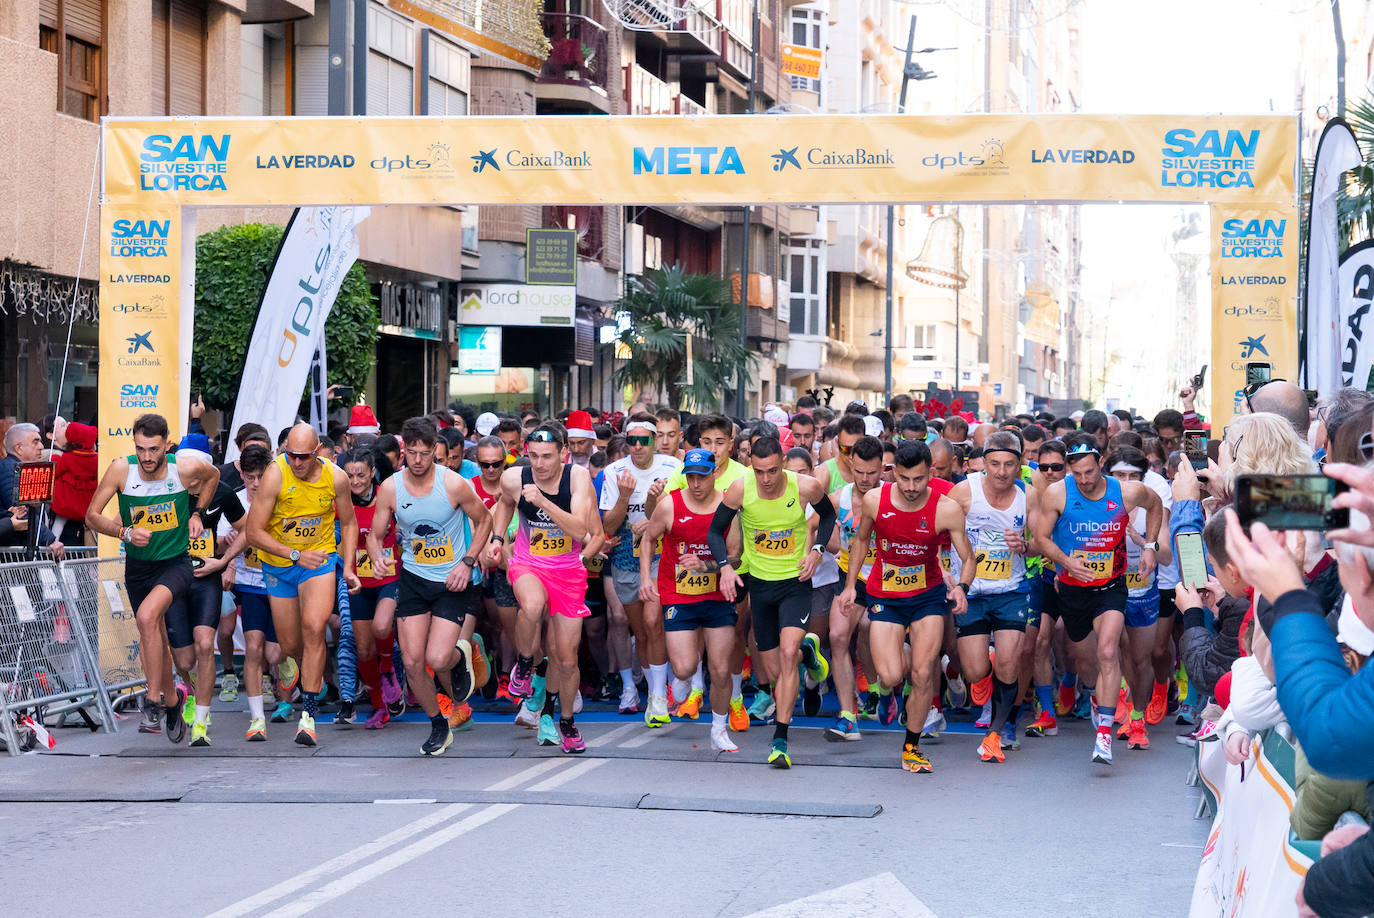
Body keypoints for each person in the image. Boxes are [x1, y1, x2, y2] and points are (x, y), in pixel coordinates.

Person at [838, 440, 974, 773]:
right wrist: (848, 587)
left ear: (930, 473)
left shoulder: (946, 509)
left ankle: (911, 747)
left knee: (924, 673)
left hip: (928, 596)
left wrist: (963, 588)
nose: (912, 488)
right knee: (891, 674)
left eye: (918, 479)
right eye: (904, 479)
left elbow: (968, 557)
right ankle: (889, 690)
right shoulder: (874, 500)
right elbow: (860, 541)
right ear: (892, 473)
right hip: (885, 595)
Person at [84, 413, 219, 743]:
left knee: (147, 616)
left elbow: (213, 475)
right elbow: (92, 516)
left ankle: (153, 699)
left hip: (175, 564)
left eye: (154, 450)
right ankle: (174, 702)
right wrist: (124, 531)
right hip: (138, 567)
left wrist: (197, 511)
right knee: (151, 630)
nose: (147, 457)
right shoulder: (121, 469)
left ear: (167, 445)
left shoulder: (183, 468)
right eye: (141, 448)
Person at [708, 436, 836, 768]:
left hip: (795, 583)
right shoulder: (740, 488)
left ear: (782, 461)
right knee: (778, 673)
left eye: (773, 470)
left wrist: (818, 551)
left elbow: (828, 516)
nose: (766, 478)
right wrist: (723, 567)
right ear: (752, 465)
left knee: (788, 653)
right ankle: (810, 652)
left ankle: (780, 739)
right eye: (760, 471)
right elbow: (714, 532)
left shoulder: (805, 486)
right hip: (760, 586)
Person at [1034, 434, 1162, 765]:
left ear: (1100, 464)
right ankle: (1095, 697)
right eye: (1077, 474)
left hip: (1111, 586)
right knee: (1086, 662)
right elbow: (1041, 538)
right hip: (1073, 588)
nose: (1085, 480)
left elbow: (1156, 505)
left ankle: (1103, 735)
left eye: (1090, 472)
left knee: (1108, 651)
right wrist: (1066, 561)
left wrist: (1149, 546)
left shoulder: (1126, 491)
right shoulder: (1057, 493)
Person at [366, 417, 489, 756]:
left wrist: (468, 561)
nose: (418, 460)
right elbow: (375, 535)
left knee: (437, 657)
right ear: (402, 450)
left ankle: (464, 652)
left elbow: (485, 520)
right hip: (414, 580)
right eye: (411, 453)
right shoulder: (391, 487)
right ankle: (438, 725)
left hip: (452, 580)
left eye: (424, 453)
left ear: (435, 450)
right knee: (412, 662)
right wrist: (377, 557)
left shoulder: (453, 484)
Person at [485, 423, 600, 754]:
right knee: (531, 606)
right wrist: (496, 539)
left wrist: (543, 501)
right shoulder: (514, 478)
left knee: (566, 659)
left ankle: (566, 722)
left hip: (567, 571)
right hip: (529, 562)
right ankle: (523, 663)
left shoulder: (577, 478)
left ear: (563, 454)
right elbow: (505, 503)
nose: (540, 464)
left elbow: (581, 532)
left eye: (547, 457)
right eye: (533, 456)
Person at [245, 423, 360, 747]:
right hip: (280, 565)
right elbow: (254, 532)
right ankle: (295, 667)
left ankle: (308, 716)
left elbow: (349, 522)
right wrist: (294, 554)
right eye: (291, 455)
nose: (296, 462)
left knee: (314, 627)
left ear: (317, 452)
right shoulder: (275, 474)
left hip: (319, 562)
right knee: (289, 645)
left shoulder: (335, 477)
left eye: (303, 456)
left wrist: (348, 566)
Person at [639, 448, 739, 751]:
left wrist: (708, 566)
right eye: (691, 477)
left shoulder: (726, 504)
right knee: (683, 668)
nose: (696, 483)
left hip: (717, 595)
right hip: (678, 595)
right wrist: (646, 578)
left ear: (714, 474)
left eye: (702, 477)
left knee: (721, 669)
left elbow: (736, 555)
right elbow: (648, 538)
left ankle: (719, 729)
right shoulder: (670, 505)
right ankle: (681, 680)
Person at [947, 431, 1038, 762]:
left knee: (1009, 665)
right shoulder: (964, 492)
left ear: (1019, 465)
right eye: (995, 464)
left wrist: (1025, 546)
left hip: (1011, 591)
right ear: (983, 462)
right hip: (971, 591)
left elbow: (1042, 541)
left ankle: (996, 735)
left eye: (1009, 464)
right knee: (974, 671)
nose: (1001, 471)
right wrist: (947, 574)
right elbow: (936, 529)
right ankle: (982, 674)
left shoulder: (1029, 496)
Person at [600, 413, 682, 725]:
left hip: (662, 554)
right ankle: (655, 691)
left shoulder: (672, 467)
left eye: (643, 440)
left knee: (653, 621)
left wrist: (655, 514)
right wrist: (623, 497)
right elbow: (607, 525)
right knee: (641, 630)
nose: (636, 446)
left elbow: (680, 509)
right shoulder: (614, 471)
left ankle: (660, 695)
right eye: (631, 440)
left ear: (653, 441)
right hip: (625, 559)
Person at [1105, 446, 1173, 748]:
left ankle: (1137, 716)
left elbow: (1168, 556)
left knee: (1141, 658)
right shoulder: (1098, 504)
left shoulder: (1151, 507)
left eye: (1134, 476)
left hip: (1143, 593)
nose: (1127, 481)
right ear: (1109, 475)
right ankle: (1120, 697)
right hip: (1109, 589)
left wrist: (1145, 544)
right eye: (1120, 475)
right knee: (1114, 650)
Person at [825, 435, 884, 741]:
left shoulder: (893, 496)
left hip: (890, 579)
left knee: (880, 647)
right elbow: (815, 523)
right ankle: (848, 716)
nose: (864, 479)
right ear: (851, 465)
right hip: (852, 576)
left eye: (871, 472)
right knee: (837, 636)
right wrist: (815, 548)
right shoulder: (839, 499)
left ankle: (882, 689)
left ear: (883, 468)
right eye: (859, 471)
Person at [339, 449, 403, 730]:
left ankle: (388, 668)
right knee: (363, 649)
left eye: (361, 474)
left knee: (381, 627)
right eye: (349, 474)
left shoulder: (388, 497)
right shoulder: (340, 503)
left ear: (372, 472)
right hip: (358, 581)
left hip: (389, 576)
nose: (355, 481)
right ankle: (379, 706)